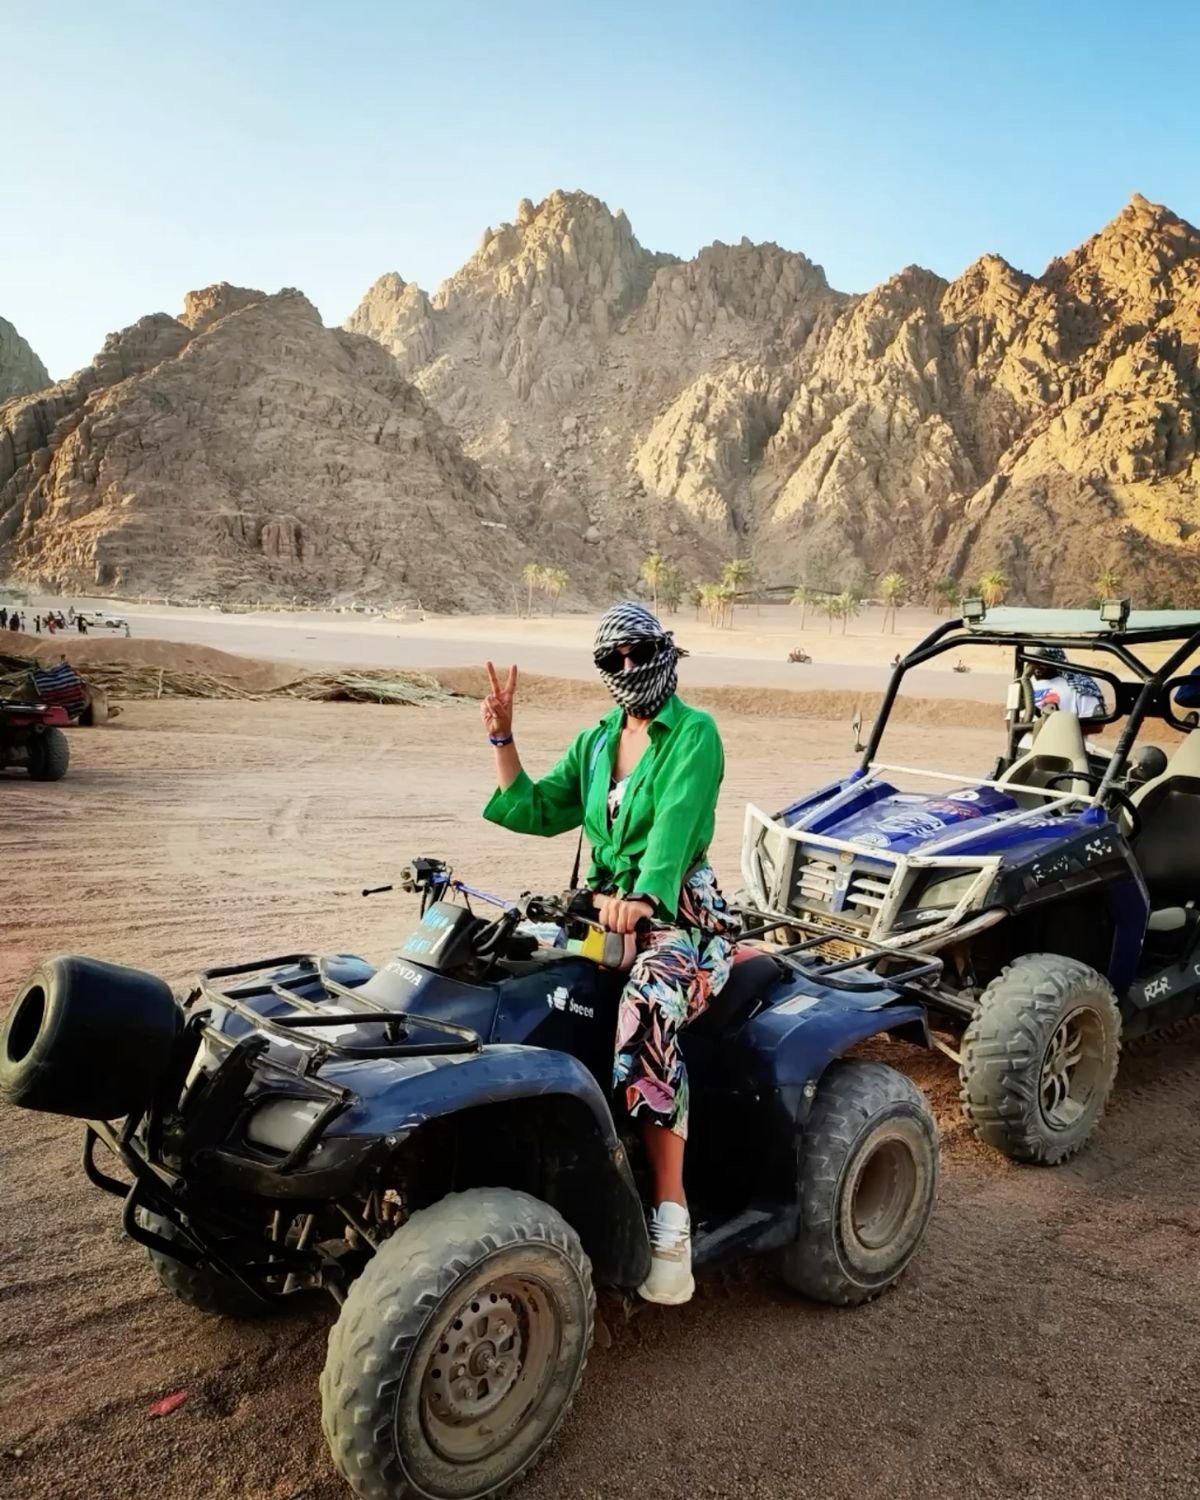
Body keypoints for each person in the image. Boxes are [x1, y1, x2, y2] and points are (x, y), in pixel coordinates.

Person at [481, 601, 737, 1305]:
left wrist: (645, 897)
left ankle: (670, 1215)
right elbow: (536, 807)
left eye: (637, 651)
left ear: (663, 650)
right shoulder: (596, 742)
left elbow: (677, 827)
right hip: (601, 907)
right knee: (517, 977)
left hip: (680, 917)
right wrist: (503, 739)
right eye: (611, 659)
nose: (627, 667)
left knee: (649, 1006)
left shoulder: (694, 734)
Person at [1029, 645, 1105, 721]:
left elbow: (1097, 725)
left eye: (1042, 661)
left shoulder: (1079, 685)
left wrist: (1060, 727)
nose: (1036, 665)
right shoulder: (1026, 684)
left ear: (1055, 660)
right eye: (1034, 661)